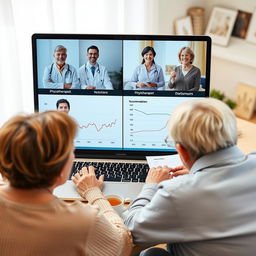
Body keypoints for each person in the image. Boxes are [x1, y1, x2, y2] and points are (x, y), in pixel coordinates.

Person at [124, 98, 256, 256]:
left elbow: (131, 230)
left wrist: (151, 185)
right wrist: (198, 174)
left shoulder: (177, 194)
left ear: (182, 151)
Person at [0, 111, 132, 256]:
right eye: (70, 151)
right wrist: (94, 193)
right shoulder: (83, 221)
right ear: (59, 167)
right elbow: (123, 245)